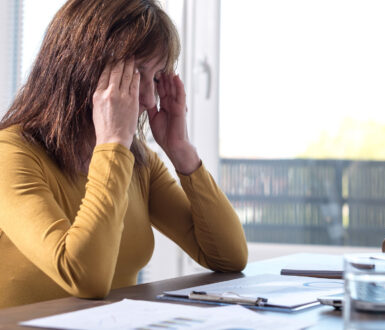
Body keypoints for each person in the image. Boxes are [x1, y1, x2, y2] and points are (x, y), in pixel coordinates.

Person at [0, 0, 247, 309]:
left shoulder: (139, 162)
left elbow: (229, 256)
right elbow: (84, 277)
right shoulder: (10, 155)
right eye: (134, 74)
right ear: (81, 68)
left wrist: (181, 151)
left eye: (156, 78)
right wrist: (114, 144)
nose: (147, 98)